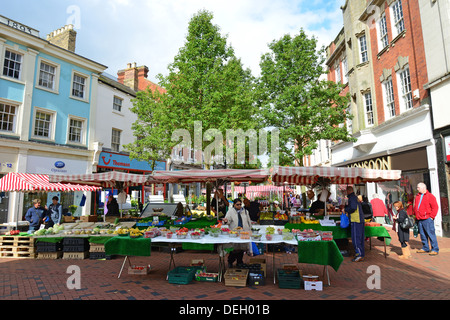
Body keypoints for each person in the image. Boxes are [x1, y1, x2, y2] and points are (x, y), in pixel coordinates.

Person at [222, 198, 253, 267]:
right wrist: (226, 221)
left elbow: (248, 221)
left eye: (240, 204)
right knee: (235, 249)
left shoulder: (245, 211)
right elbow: (227, 220)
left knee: (242, 248)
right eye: (237, 205)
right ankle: (230, 261)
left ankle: (239, 262)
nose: (239, 206)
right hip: (235, 232)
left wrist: (250, 229)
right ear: (234, 205)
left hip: (244, 232)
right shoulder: (230, 211)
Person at [413, 182, 439, 255]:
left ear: (423, 188)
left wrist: (431, 217)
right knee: (422, 234)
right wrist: (415, 215)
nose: (417, 189)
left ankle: (435, 249)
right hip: (419, 218)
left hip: (427, 218)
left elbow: (435, 207)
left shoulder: (430, 196)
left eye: (418, 187)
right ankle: (425, 247)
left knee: (431, 234)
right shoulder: (417, 196)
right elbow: (416, 207)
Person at [343, 186, 365, 262]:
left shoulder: (352, 198)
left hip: (356, 220)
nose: (346, 192)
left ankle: (359, 254)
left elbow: (353, 207)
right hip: (359, 219)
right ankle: (361, 254)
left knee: (356, 239)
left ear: (349, 191)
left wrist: (345, 209)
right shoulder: (354, 197)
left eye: (346, 191)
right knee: (360, 238)